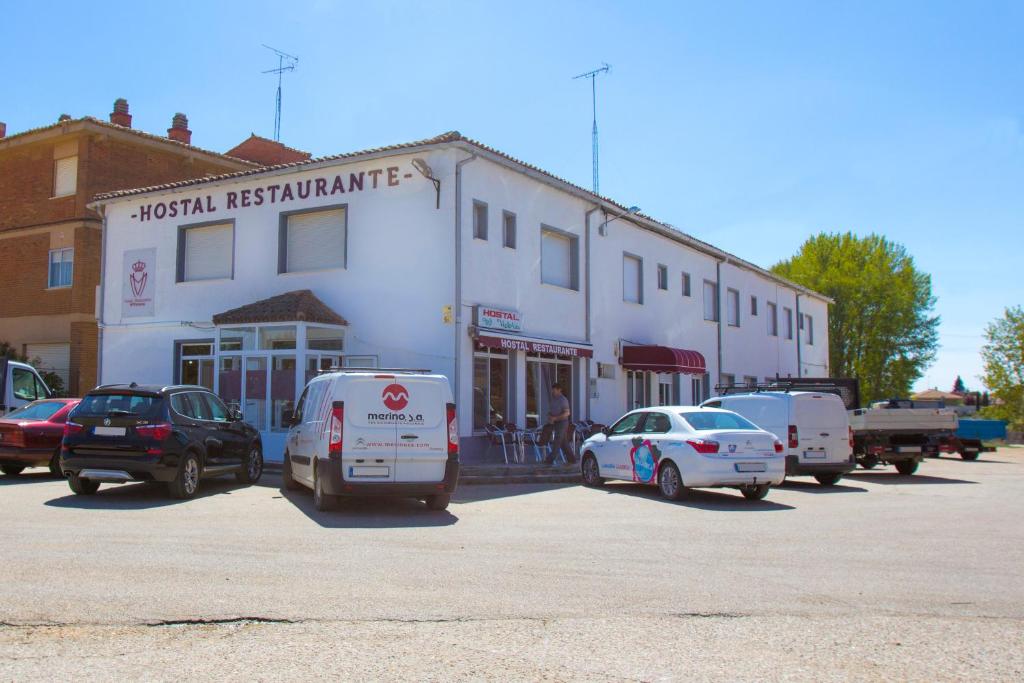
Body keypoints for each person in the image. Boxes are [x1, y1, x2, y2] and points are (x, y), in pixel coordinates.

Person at [541, 382, 575, 466]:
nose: (553, 392)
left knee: (557, 440)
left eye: (554, 390)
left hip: (562, 423)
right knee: (563, 442)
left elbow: (567, 413)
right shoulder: (553, 400)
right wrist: (550, 416)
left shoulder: (563, 400)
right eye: (552, 390)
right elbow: (551, 411)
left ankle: (550, 459)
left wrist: (555, 418)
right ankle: (572, 459)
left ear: (559, 390)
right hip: (555, 423)